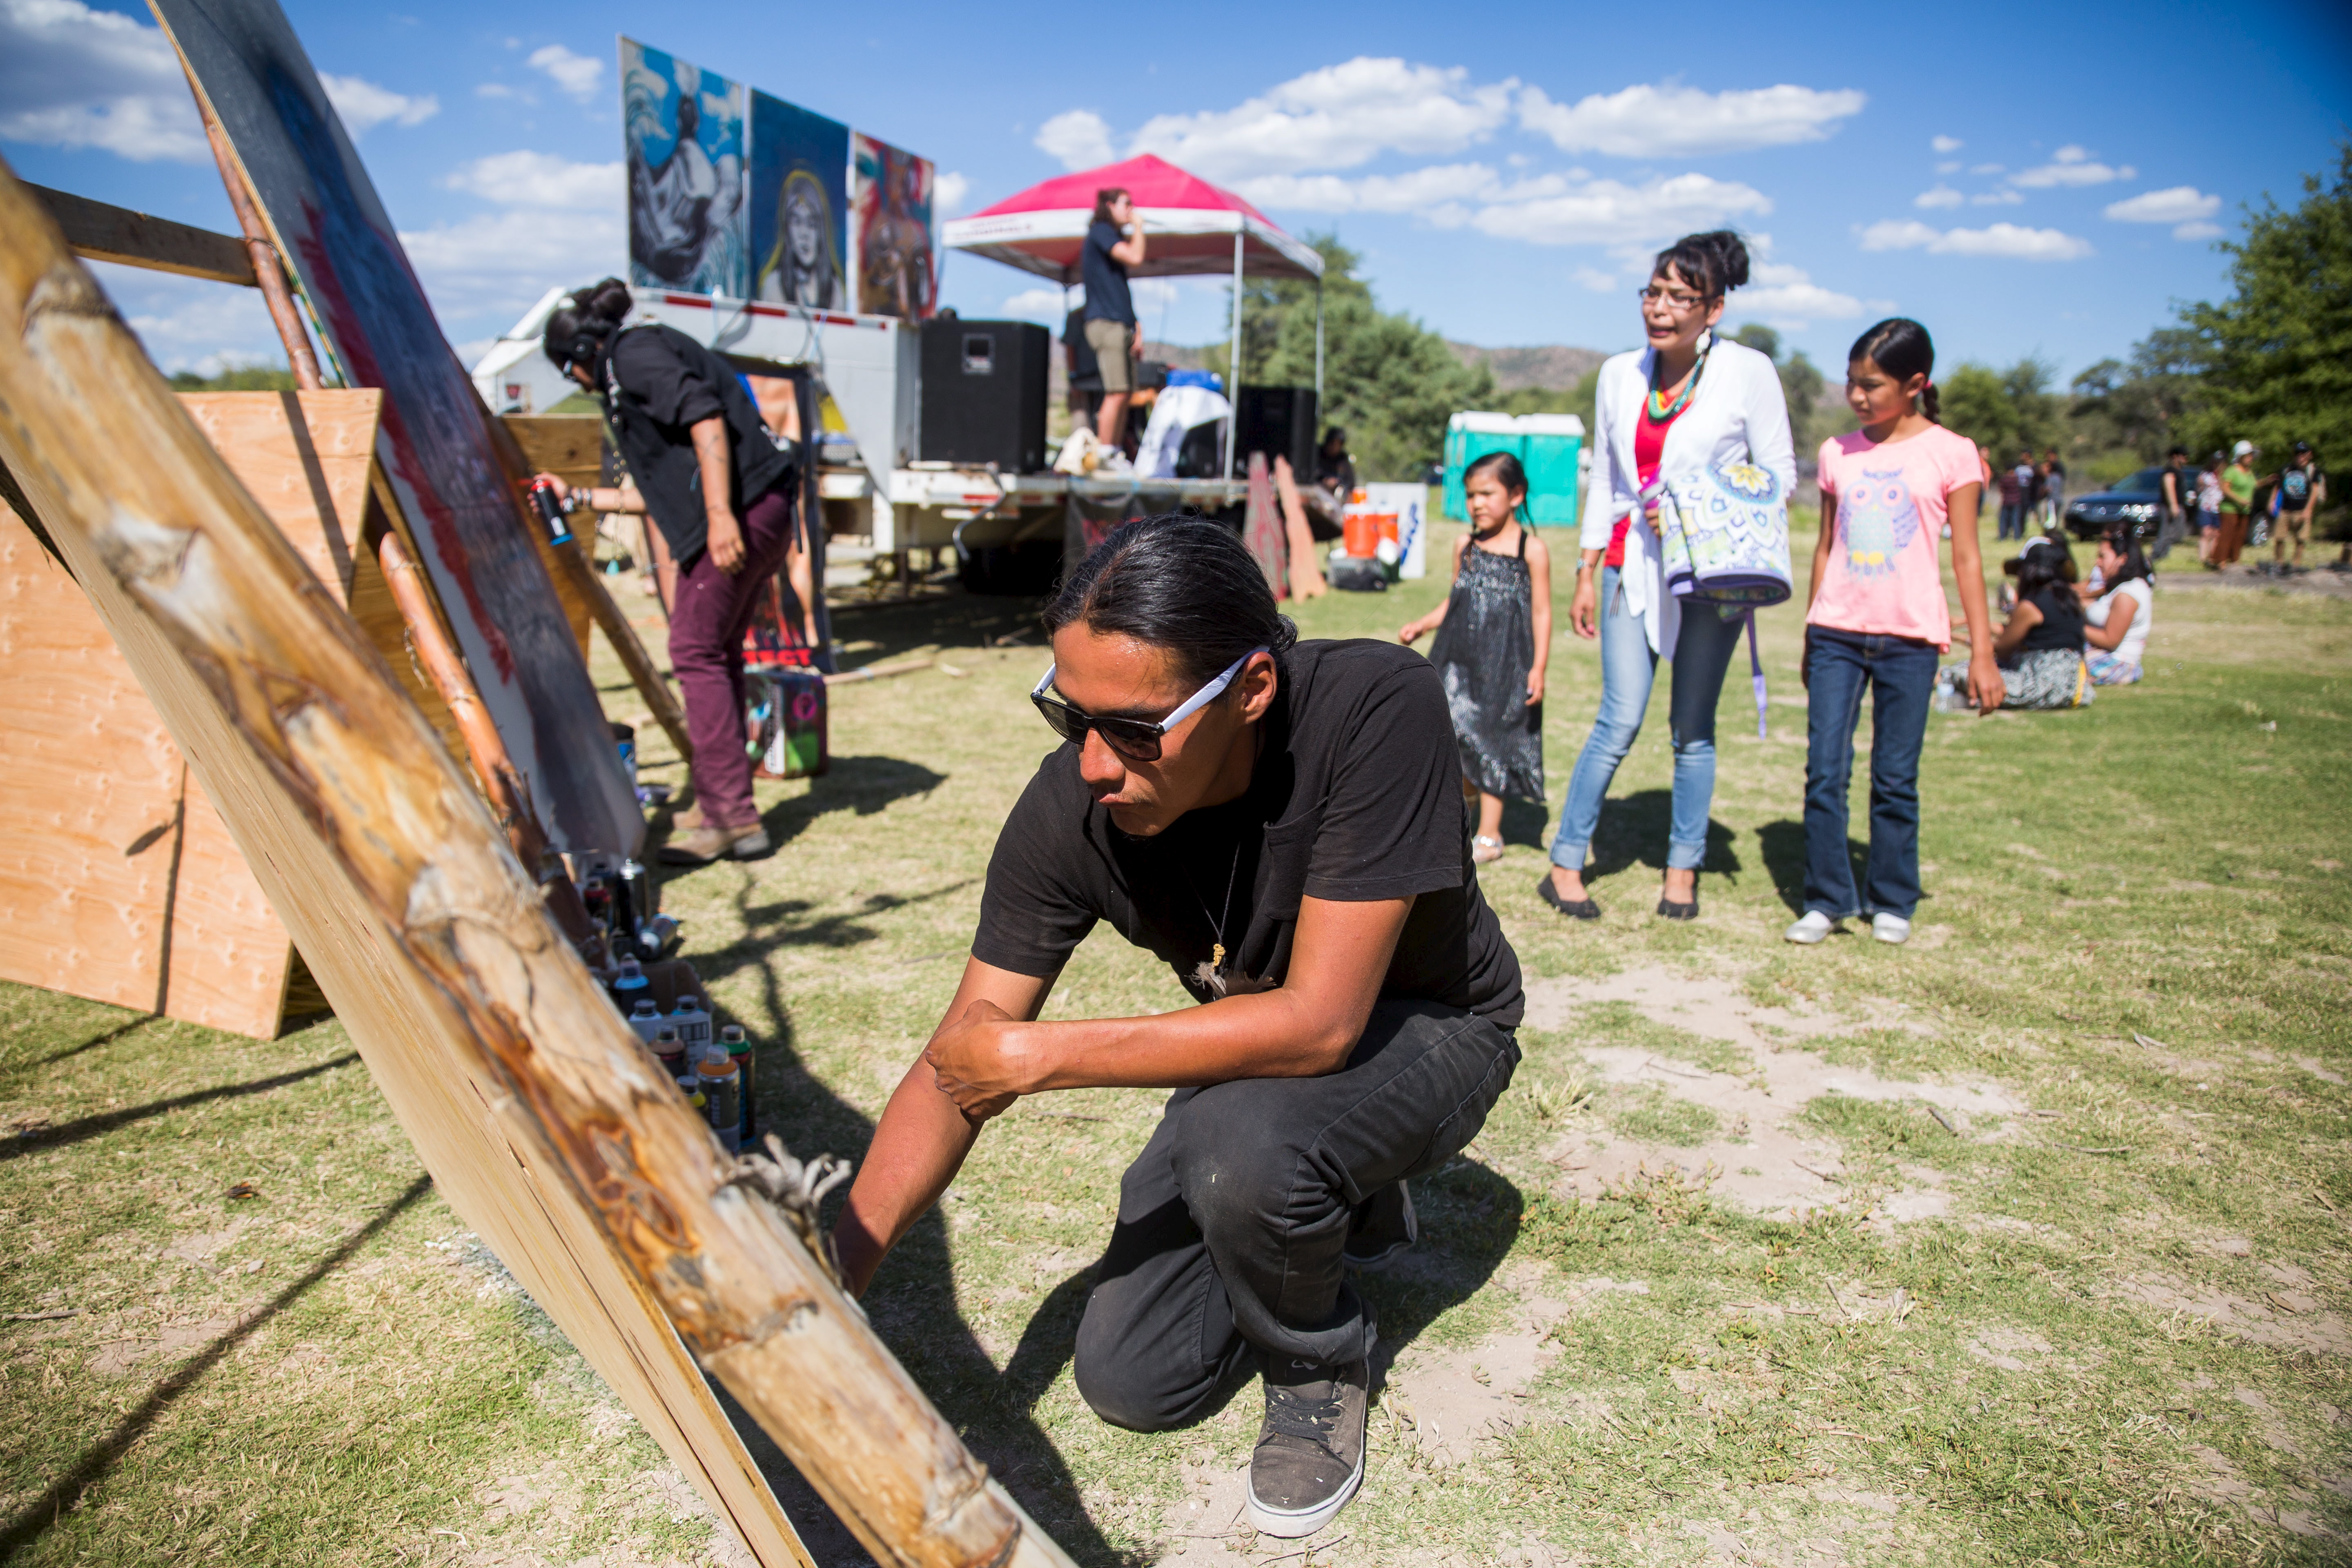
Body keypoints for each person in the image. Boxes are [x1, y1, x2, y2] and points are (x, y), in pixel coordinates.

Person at [830, 517, 1523, 1541]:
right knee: (1132, 1377)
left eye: (1134, 729)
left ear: (1250, 689)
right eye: (1070, 717)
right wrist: (832, 1279)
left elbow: (1322, 1026)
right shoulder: (1072, 807)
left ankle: (1321, 1362)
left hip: (1429, 1023)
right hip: (1259, 1053)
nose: (1093, 764)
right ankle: (1347, 1191)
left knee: (1240, 1146)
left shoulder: (1376, 704)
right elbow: (956, 1063)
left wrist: (1043, 1057)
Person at [1539, 229, 1794, 923]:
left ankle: (1682, 870)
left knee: (1693, 728)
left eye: (1680, 297)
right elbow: (1606, 479)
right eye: (1653, 292)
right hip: (1632, 565)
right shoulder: (1620, 374)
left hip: (1713, 575)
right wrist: (1588, 567)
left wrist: (1696, 504)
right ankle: (1566, 862)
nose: (1660, 307)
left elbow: (1780, 475)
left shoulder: (1747, 371)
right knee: (1619, 717)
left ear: (1713, 309)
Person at [537, 278, 797, 863]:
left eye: (568, 369)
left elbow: (706, 418)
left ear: (582, 351)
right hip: (758, 508)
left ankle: (732, 818)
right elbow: (658, 494)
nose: (574, 382)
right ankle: (721, 805)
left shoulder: (632, 355)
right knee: (716, 653)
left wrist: (721, 517)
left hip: (745, 510)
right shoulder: (629, 365)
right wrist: (577, 497)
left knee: (694, 649)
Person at [1789, 318, 2002, 949]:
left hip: (1911, 638)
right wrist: (1810, 632)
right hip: (1836, 633)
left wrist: (1985, 654)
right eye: (1852, 382)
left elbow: (1967, 557)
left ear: (1916, 384)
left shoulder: (1953, 453)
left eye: (1872, 385)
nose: (1857, 396)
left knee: (1895, 777)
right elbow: (1826, 546)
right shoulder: (1837, 452)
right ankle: (1827, 899)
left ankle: (1892, 897)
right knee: (1825, 771)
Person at [1398, 452, 1552, 865]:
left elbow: (1542, 612)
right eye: (1470, 496)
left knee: (1492, 738)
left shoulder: (1532, 550)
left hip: (1505, 664)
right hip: (1457, 658)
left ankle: (1490, 834)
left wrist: (1539, 667)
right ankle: (1457, 813)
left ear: (1516, 495)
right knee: (1450, 731)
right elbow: (1454, 600)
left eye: (1487, 494)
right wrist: (1422, 625)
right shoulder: (1465, 546)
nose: (1477, 504)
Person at [1985, 536, 2089, 708]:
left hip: (2043, 686)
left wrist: (1978, 647)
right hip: (2077, 689)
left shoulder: (2031, 606)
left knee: (1963, 672)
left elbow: (2003, 649)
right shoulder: (2071, 600)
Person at [1083, 188, 1147, 454]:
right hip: (1106, 325)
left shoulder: (1111, 237)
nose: (1131, 210)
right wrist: (1139, 228)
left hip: (1121, 324)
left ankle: (1115, 452)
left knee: (1126, 393)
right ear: (1110, 206)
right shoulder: (1101, 232)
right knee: (1117, 392)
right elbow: (1135, 257)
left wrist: (1136, 328)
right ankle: (1105, 453)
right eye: (1126, 204)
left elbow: (1120, 291)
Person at [2078, 525, 2154, 685]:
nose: (2098, 563)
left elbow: (2110, 640)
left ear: (2122, 559)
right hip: (2103, 655)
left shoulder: (2127, 594)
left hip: (2117, 663)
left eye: (2102, 557)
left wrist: (2072, 626)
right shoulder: (2119, 587)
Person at [2272, 441, 2325, 571]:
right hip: (2285, 509)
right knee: (2279, 537)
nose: (2300, 457)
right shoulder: (2287, 469)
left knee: (2301, 539)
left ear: (2309, 455)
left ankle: (2296, 564)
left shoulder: (2313, 471)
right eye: (2298, 454)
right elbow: (2278, 486)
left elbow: (2315, 492)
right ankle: (2279, 562)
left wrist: (2308, 510)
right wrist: (2272, 501)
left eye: (2303, 454)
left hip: (2302, 510)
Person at [2215, 440, 2258, 567]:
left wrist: (2267, 481)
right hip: (2230, 509)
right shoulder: (2232, 471)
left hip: (2244, 510)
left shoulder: (2249, 472)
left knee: (2240, 536)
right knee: (2227, 535)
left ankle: (2235, 560)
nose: (2251, 458)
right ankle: (2220, 560)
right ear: (2240, 456)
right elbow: (2225, 488)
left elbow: (2254, 485)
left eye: (2251, 455)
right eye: (2248, 455)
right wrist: (2239, 500)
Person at [2154, 445, 2191, 561]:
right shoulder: (2170, 471)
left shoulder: (2179, 471)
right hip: (2169, 506)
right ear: (2175, 457)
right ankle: (2157, 554)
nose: (2185, 458)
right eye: (2183, 456)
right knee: (2166, 532)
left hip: (2178, 505)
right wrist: (2173, 505)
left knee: (2175, 533)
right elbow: (2169, 487)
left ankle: (2164, 554)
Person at [2196, 451, 2225, 566]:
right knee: (2206, 532)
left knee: (2216, 533)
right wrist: (2200, 485)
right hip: (2206, 506)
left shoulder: (2225, 476)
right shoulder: (2205, 474)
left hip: (2219, 508)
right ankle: (2203, 558)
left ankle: (2212, 557)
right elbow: (2199, 488)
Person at [1314, 427, 1357, 506]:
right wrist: (1325, 481)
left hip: (1337, 502)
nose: (1334, 447)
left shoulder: (1343, 460)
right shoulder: (1317, 455)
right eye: (1333, 443)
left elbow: (1350, 484)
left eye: (1338, 444)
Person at [1997, 452, 2029, 541]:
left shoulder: (2004, 479)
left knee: (2004, 520)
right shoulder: (2017, 479)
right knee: (2016, 520)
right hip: (2016, 501)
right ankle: (2017, 536)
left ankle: (2003, 536)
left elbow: (2001, 489)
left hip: (2006, 501)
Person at [2040, 448, 2067, 531]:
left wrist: (2042, 491)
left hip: (2052, 500)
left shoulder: (2051, 477)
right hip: (2059, 499)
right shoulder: (2059, 477)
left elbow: (2048, 489)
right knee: (2056, 518)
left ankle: (2051, 532)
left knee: (2051, 518)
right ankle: (2055, 531)